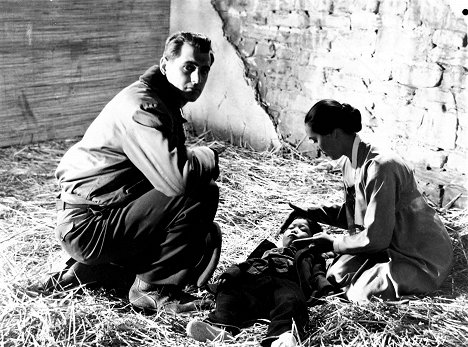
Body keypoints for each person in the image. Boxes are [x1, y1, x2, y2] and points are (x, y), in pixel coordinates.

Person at [43, 31, 222, 313]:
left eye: (204, 70)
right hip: (90, 227)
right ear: (165, 65)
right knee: (200, 191)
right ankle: (152, 290)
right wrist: (207, 156)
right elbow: (177, 181)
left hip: (97, 216)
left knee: (204, 235)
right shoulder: (145, 108)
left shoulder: (160, 99)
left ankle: (91, 272)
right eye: (189, 68)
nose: (197, 79)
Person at [283, 98, 453, 303]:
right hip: (387, 243)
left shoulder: (381, 166)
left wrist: (333, 243)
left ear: (335, 133)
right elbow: (357, 212)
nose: (316, 147)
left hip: (417, 252)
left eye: (315, 139)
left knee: (360, 295)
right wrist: (311, 212)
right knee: (335, 276)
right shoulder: (349, 162)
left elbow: (376, 238)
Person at [186, 217, 334, 347]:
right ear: (283, 235)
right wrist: (231, 273)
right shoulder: (267, 249)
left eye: (303, 229)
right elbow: (247, 263)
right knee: (231, 290)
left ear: (312, 238)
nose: (294, 231)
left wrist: (326, 288)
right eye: (291, 228)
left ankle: (284, 335)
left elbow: (318, 274)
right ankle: (221, 327)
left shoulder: (310, 255)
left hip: (286, 281)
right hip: (255, 280)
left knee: (291, 299)